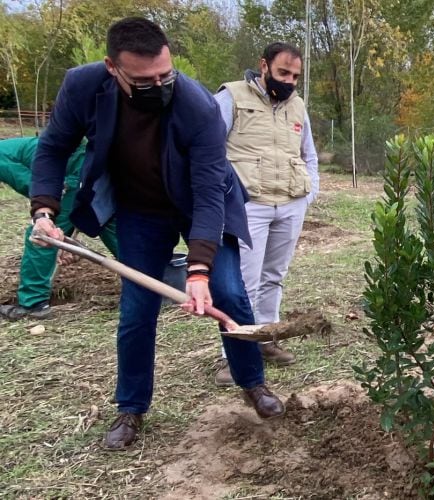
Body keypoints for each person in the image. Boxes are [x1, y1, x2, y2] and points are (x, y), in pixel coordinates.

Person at [30, 17, 284, 451]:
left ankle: (252, 383)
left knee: (229, 293)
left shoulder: (199, 106)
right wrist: (44, 210)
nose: (159, 85)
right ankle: (131, 409)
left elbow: (207, 194)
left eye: (165, 75)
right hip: (140, 210)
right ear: (113, 68)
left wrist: (199, 270)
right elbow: (52, 148)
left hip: (201, 203)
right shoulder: (83, 86)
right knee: (136, 310)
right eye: (145, 80)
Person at [210, 41, 319, 386]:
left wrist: (309, 195)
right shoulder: (231, 98)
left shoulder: (298, 106)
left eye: (295, 76)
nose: (288, 81)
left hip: (289, 203)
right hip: (248, 206)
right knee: (243, 285)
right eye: (283, 72)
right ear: (264, 66)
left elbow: (309, 155)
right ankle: (234, 356)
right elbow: (207, 148)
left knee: (274, 275)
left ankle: (267, 339)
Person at [0, 137, 119, 320]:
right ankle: (155, 277)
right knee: (107, 222)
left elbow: (32, 184)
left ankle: (33, 303)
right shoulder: (10, 148)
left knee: (42, 234)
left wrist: (48, 205)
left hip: (70, 172)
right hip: (87, 162)